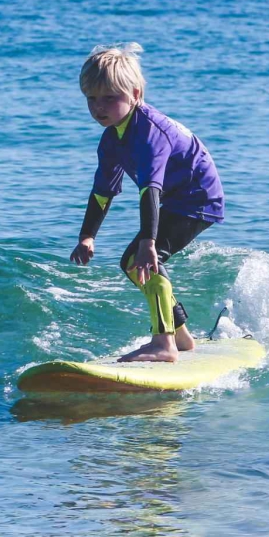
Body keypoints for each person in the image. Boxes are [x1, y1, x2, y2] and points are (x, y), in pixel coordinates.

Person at [68, 43, 224, 362]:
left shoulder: (151, 133)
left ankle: (164, 344)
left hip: (198, 199)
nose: (99, 107)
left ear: (136, 94)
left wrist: (148, 241)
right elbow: (103, 192)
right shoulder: (113, 137)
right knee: (135, 263)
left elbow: (149, 190)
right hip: (174, 198)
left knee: (140, 260)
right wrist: (87, 235)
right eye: (92, 99)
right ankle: (180, 337)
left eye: (110, 98)